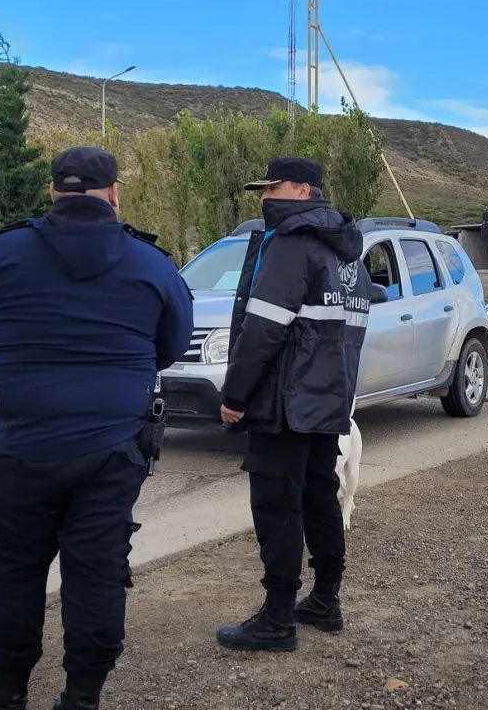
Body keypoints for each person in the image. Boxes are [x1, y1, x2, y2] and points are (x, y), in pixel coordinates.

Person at [0, 146, 195, 710]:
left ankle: (6, 694)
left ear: (54, 190)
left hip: (18, 447)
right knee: (98, 572)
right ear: (114, 193)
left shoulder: (1, 252)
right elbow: (171, 345)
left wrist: (13, 355)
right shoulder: (152, 263)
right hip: (110, 451)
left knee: (10, 570)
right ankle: (83, 698)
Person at [216, 157, 373, 652]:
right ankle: (325, 601)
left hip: (283, 403)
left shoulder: (291, 242)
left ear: (304, 190)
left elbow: (262, 328)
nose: (264, 197)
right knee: (319, 498)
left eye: (274, 187)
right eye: (261, 189)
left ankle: (277, 618)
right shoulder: (347, 251)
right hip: (329, 400)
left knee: (276, 506)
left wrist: (236, 394)